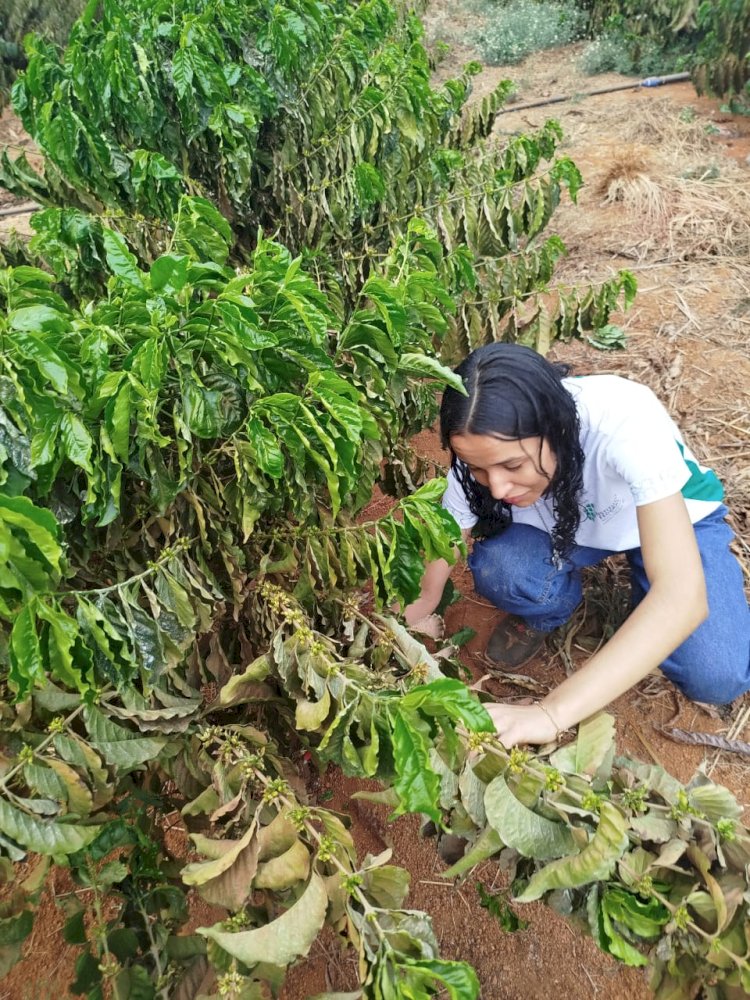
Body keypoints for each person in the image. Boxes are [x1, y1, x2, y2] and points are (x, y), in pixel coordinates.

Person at [404, 343, 750, 748]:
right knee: (504, 568)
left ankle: (648, 593)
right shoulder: (481, 442)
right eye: (480, 469)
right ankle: (548, 611)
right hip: (574, 529)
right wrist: (412, 614)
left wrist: (551, 713)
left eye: (513, 466)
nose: (496, 487)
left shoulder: (625, 420)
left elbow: (682, 598)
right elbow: (448, 539)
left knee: (717, 675)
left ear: (555, 429)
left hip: (667, 521)